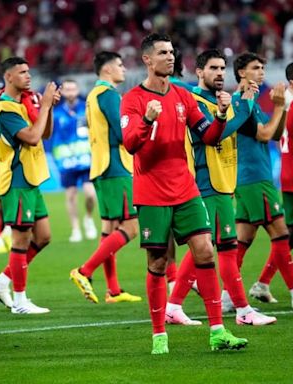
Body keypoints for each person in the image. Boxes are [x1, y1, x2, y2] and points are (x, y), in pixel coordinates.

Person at [122, 33, 248, 354]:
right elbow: (131, 144)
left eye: (172, 52)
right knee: (158, 261)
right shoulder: (133, 99)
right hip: (151, 192)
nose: (170, 57)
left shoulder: (182, 96)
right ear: (147, 60)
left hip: (186, 188)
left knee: (206, 250)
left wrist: (220, 116)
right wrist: (147, 120)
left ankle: (218, 331)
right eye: (163, 53)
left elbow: (207, 135)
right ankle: (159, 334)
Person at [164, 49, 276, 326]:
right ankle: (242, 311)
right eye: (213, 68)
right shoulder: (195, 100)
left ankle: (175, 305)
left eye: (222, 68)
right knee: (219, 247)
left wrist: (239, 104)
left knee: (216, 247)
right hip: (207, 182)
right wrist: (245, 106)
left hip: (224, 180)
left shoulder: (220, 100)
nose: (219, 74)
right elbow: (215, 135)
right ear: (199, 71)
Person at [0, 57, 60, 314]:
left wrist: (47, 109)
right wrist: (46, 104)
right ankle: (19, 301)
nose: (28, 76)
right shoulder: (5, 108)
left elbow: (46, 133)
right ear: (8, 77)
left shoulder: (25, 103)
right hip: (16, 180)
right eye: (22, 72)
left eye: (29, 71)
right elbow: (31, 137)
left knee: (44, 236)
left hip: (31, 179)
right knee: (20, 240)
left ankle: (2, 281)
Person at [69, 51, 141, 304]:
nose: (124, 69)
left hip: (101, 166)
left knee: (110, 228)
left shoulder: (92, 95)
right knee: (131, 227)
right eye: (120, 65)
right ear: (108, 69)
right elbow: (123, 134)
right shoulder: (109, 95)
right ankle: (84, 271)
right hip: (116, 167)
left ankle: (113, 290)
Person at [231, 52, 293, 307]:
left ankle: (226, 296)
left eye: (263, 67)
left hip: (250, 178)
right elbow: (265, 135)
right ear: (242, 73)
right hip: (254, 177)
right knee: (281, 235)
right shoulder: (240, 103)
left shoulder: (251, 102)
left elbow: (275, 133)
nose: (262, 72)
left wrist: (282, 108)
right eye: (256, 68)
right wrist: (280, 107)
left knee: (242, 242)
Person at [51, 79, 97, 243]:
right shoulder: (56, 113)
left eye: (73, 88)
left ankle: (89, 218)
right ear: (62, 92)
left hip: (86, 159)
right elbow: (51, 136)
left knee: (90, 194)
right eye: (67, 89)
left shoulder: (87, 108)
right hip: (66, 162)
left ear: (78, 90)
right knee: (70, 196)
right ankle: (76, 229)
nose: (70, 92)